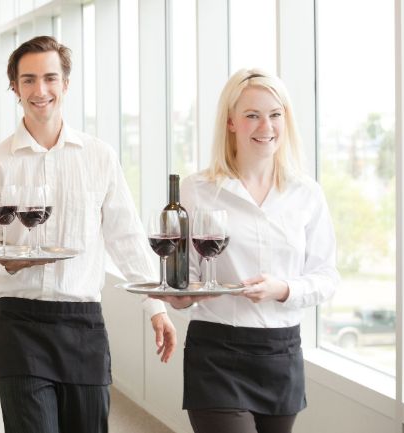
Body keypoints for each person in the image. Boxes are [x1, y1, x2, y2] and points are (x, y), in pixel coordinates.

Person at [0, 35, 177, 433]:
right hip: (19, 321)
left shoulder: (99, 156)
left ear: (66, 83)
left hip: (82, 322)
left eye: (50, 78)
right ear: (14, 87)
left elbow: (126, 236)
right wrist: (10, 261)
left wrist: (156, 306)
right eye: (28, 80)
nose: (40, 90)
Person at [153, 68, 340, 433]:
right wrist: (180, 296)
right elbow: (186, 274)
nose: (265, 126)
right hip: (216, 350)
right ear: (232, 122)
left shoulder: (306, 193)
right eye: (252, 115)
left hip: (280, 353)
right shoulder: (198, 189)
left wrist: (283, 289)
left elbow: (327, 276)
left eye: (275, 115)